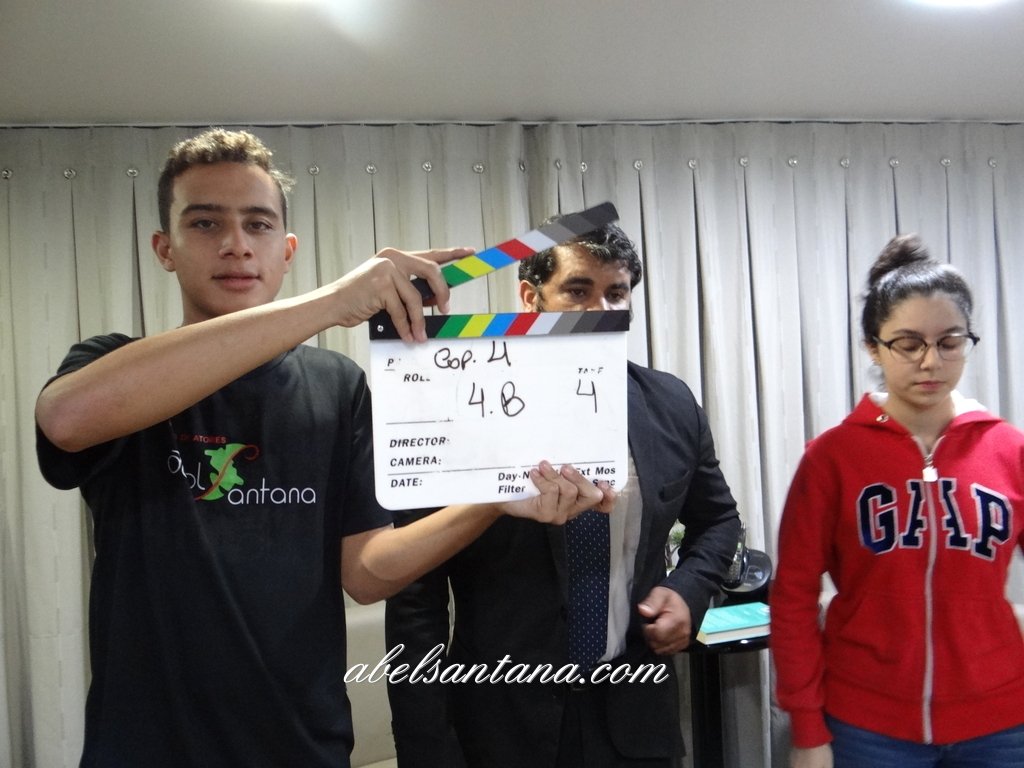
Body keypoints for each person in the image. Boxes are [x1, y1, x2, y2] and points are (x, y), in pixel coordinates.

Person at [33, 129, 609, 768]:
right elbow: (66, 419)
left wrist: (494, 499)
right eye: (205, 223)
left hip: (304, 744)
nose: (235, 244)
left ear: (286, 251)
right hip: (146, 748)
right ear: (164, 249)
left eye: (257, 225)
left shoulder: (338, 387)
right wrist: (333, 302)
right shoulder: (112, 364)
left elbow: (367, 574)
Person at [385, 219, 743, 768]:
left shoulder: (671, 405)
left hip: (636, 718)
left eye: (616, 293)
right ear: (531, 298)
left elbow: (718, 521)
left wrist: (688, 591)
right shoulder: (460, 409)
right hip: (499, 726)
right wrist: (426, 748)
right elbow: (416, 595)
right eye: (578, 290)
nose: (601, 308)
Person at [771, 234, 1024, 768]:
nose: (931, 361)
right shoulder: (831, 458)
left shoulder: (1009, 450)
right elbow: (793, 600)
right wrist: (808, 730)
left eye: (950, 342)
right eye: (908, 344)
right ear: (873, 346)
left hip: (1001, 723)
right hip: (868, 726)